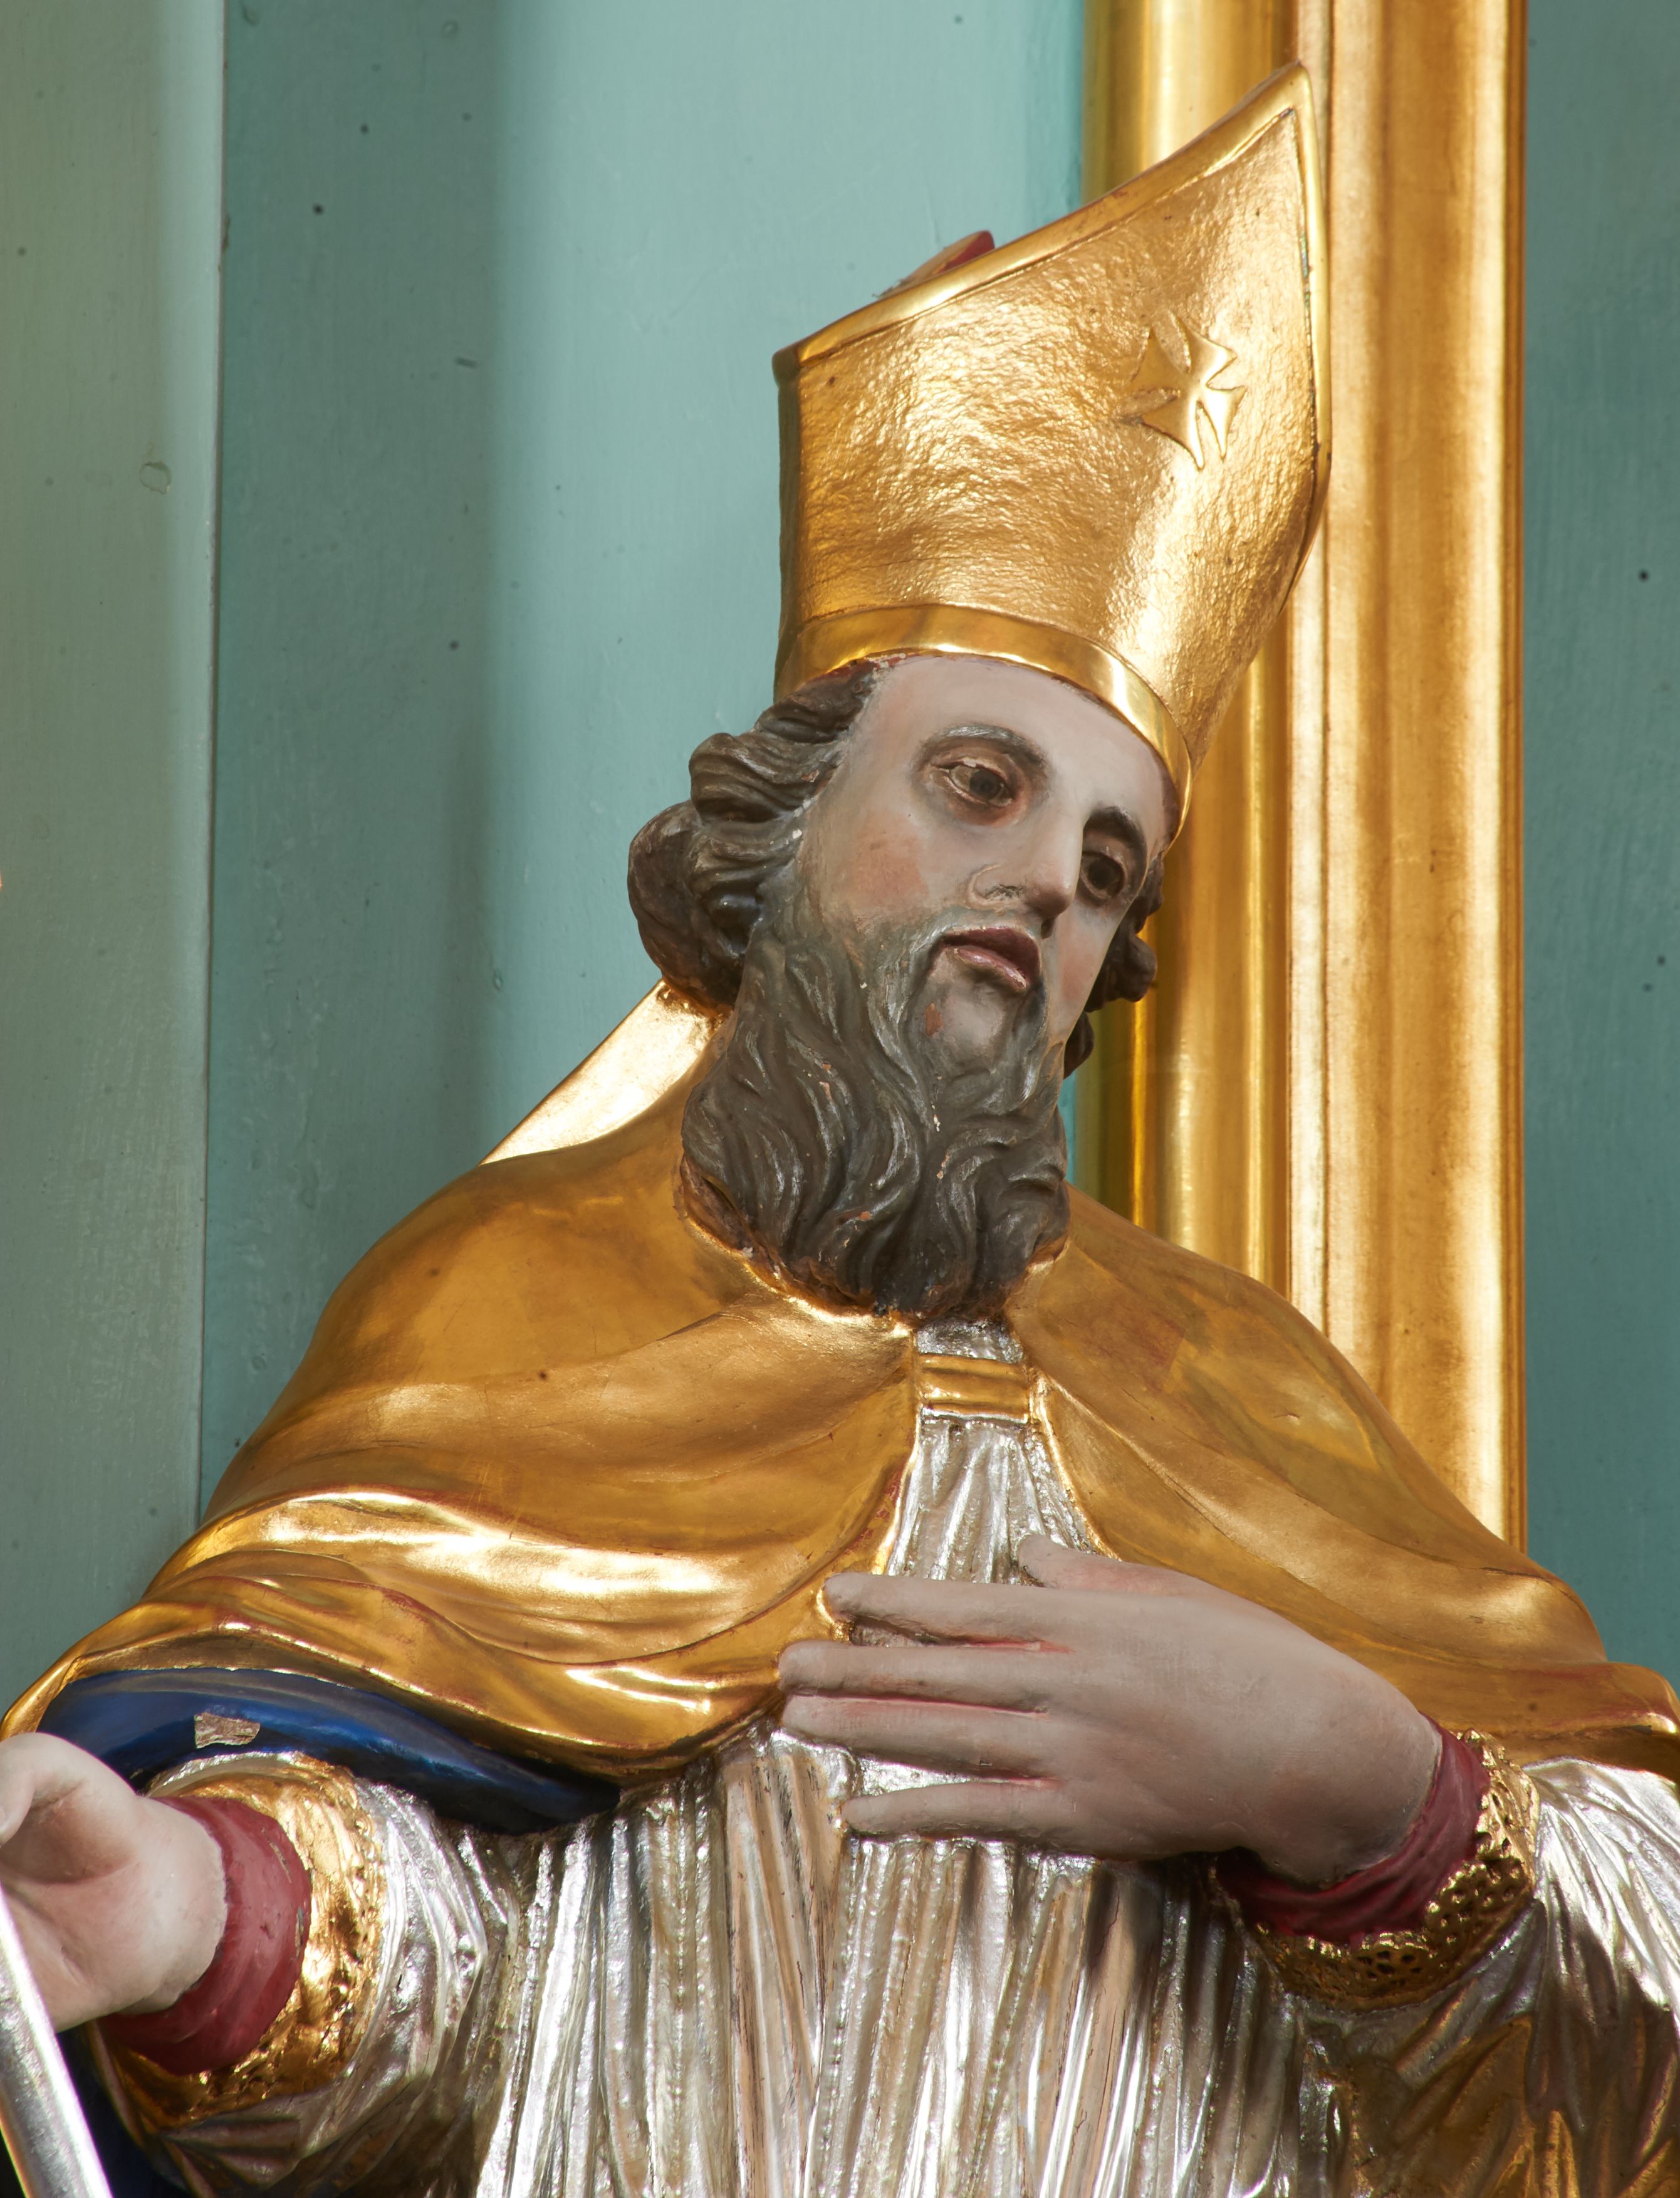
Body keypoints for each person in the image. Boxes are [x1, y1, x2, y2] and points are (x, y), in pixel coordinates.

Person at [4, 66, 1680, 2198]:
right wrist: (202, 1920)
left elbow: (1612, 2030)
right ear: (781, 826)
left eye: (1104, 870)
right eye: (979, 785)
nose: (1044, 886)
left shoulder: (1241, 1391)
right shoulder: (508, 1300)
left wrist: (1360, 1788)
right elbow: (461, 2006)